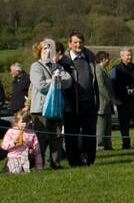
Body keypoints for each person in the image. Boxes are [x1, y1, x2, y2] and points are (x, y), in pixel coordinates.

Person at [58, 32, 99, 166]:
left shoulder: (91, 58)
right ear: (69, 44)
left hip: (89, 103)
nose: (78, 45)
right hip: (71, 104)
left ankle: (89, 159)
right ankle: (74, 161)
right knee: (71, 135)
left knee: (90, 133)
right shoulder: (63, 61)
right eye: (75, 42)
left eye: (80, 42)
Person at [29, 38, 70, 170]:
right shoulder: (35, 67)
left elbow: (68, 81)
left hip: (56, 108)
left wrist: (51, 80)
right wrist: (56, 80)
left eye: (50, 49)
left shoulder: (57, 66)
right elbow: (40, 86)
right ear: (39, 51)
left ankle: (55, 162)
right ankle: (38, 164)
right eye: (44, 49)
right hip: (40, 109)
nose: (47, 52)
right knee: (40, 138)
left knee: (57, 137)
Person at [111, 48, 134, 149]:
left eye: (130, 55)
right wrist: (115, 96)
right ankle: (126, 144)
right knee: (124, 125)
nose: (129, 57)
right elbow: (112, 83)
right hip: (123, 101)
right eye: (127, 55)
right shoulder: (116, 69)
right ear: (122, 56)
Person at [94, 52, 114, 151]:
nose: (109, 60)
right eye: (107, 58)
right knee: (101, 127)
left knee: (108, 126)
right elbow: (101, 86)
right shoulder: (98, 69)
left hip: (107, 104)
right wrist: (110, 98)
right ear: (103, 59)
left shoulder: (104, 70)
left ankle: (108, 145)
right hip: (101, 104)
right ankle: (100, 146)